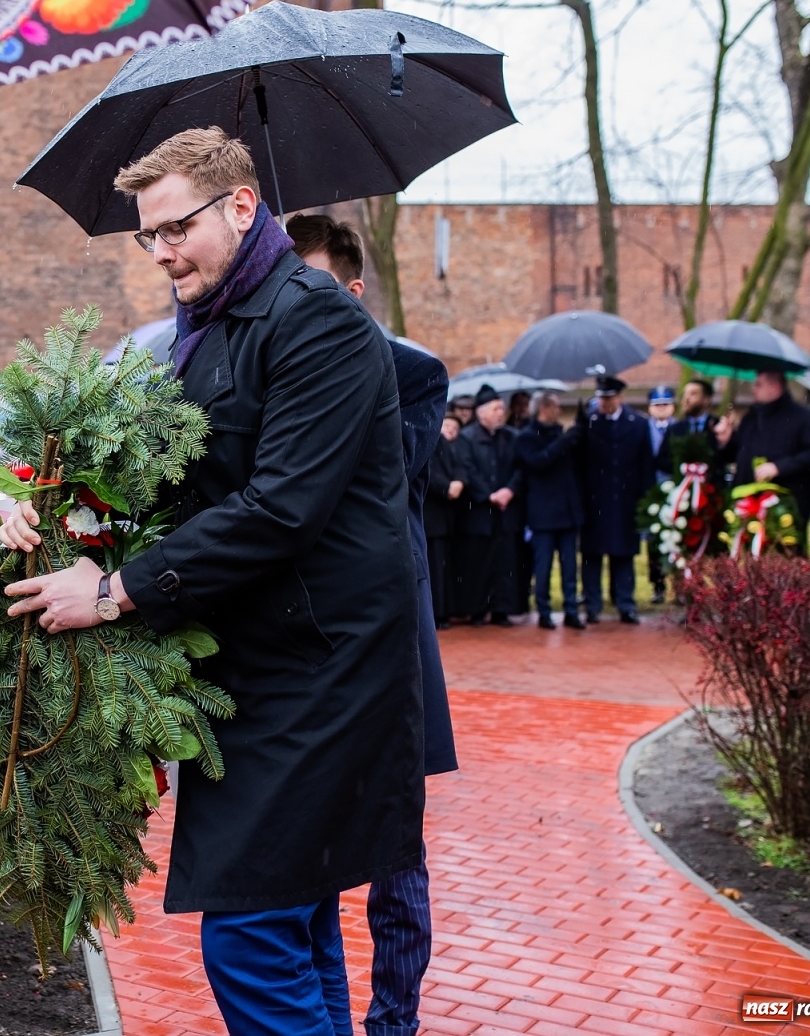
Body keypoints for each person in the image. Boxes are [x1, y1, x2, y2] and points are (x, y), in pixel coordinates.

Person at [0, 129, 423, 1036]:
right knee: (294, 924)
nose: (159, 252)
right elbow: (167, 489)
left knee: (251, 934)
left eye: (175, 228)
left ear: (240, 206)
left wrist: (112, 595)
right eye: (146, 236)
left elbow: (278, 509)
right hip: (251, 672)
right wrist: (44, 509)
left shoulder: (319, 321)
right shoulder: (209, 327)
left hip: (322, 673)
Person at [288, 212, 457, 1036]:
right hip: (310, 653)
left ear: (352, 292)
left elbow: (374, 477)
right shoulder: (274, 370)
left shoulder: (415, 374)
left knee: (397, 864)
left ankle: (396, 1023)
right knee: (306, 869)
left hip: (394, 646)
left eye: (311, 288)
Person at [713, 370, 810, 538]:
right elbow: (738, 453)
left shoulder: (802, 417)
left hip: (785, 503)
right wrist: (725, 440)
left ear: (774, 387)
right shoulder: (751, 417)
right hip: (747, 501)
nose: (753, 389)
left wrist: (779, 467)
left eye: (758, 384)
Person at [577, 376, 652, 624]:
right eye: (601, 398)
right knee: (592, 555)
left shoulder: (639, 423)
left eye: (608, 398)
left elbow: (645, 465)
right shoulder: (588, 423)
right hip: (595, 500)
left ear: (619, 397)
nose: (604, 403)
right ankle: (592, 604)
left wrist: (644, 500)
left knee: (624, 554)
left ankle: (625, 603)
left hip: (625, 500)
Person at [453, 385, 524, 626]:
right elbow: (467, 470)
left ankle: (502, 609)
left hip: (506, 511)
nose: (501, 413)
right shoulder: (467, 438)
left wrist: (509, 490)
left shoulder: (512, 436)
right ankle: (477, 609)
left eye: (502, 408)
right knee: (477, 562)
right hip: (479, 512)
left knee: (505, 561)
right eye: (496, 408)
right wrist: (489, 495)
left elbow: (520, 468)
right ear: (482, 413)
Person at [515, 391, 585, 630]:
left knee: (569, 568)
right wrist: (566, 439)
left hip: (567, 512)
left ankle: (571, 610)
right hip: (542, 514)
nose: (559, 411)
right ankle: (543, 610)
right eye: (555, 406)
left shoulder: (560, 434)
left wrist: (579, 430)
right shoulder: (526, 436)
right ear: (544, 408)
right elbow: (540, 461)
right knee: (543, 567)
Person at [427, 415, 465, 629]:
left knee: (443, 567)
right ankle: (435, 614)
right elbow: (427, 472)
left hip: (447, 518)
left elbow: (460, 467)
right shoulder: (429, 440)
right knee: (433, 567)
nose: (450, 429)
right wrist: (446, 488)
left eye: (454, 427)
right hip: (430, 517)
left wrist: (459, 482)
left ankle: (443, 612)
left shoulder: (450, 446)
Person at [643, 386, 676, 604]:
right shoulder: (643, 429)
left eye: (665, 405)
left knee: (678, 539)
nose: (661, 409)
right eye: (657, 405)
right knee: (653, 541)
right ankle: (658, 585)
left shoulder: (680, 428)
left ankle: (680, 585)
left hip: (675, 492)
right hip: (652, 490)